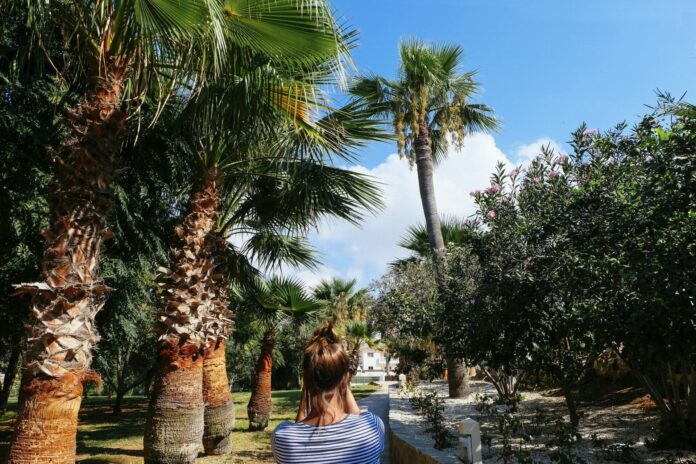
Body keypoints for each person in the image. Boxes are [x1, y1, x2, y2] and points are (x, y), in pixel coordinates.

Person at [271, 324, 385, 464]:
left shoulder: (283, 437)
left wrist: (307, 385)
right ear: (344, 378)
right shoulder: (372, 427)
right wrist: (344, 381)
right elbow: (358, 417)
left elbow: (298, 430)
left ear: (306, 380)